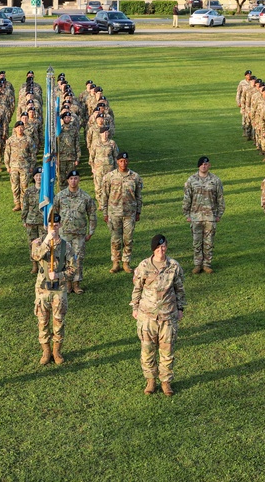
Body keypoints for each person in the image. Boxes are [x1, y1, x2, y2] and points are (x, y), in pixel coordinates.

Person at [131, 234, 186, 396]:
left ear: (166, 247)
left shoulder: (174, 266)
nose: (161, 251)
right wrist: (135, 307)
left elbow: (180, 289)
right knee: (147, 350)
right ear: (153, 250)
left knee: (167, 351)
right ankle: (150, 380)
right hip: (147, 316)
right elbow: (137, 289)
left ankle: (166, 382)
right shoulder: (144, 266)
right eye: (157, 248)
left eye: (163, 247)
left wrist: (180, 308)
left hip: (168, 316)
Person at [31, 214, 76, 365]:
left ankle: (57, 350)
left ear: (60, 225)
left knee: (58, 320)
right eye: (51, 225)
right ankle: (46, 351)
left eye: (56, 225)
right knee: (42, 321)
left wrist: (59, 274)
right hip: (43, 289)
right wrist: (46, 242)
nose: (54, 228)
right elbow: (36, 256)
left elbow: (73, 269)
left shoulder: (66, 246)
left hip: (59, 289)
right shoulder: (39, 243)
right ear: (47, 226)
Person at [101, 152, 143, 274]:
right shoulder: (110, 177)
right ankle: (116, 262)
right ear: (117, 161)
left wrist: (138, 211)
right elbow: (105, 196)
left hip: (130, 213)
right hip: (114, 213)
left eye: (125, 161)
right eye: (120, 161)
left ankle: (126, 262)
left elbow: (138, 196)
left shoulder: (135, 177)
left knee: (128, 239)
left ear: (128, 161)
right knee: (115, 239)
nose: (123, 163)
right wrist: (105, 213)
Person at [182, 156, 225, 274]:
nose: (204, 166)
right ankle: (197, 264)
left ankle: (207, 264)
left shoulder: (215, 180)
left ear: (209, 165)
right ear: (198, 166)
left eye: (206, 164)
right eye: (202, 164)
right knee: (196, 242)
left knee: (209, 242)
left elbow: (220, 198)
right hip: (196, 216)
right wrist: (187, 214)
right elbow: (187, 198)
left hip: (210, 216)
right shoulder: (191, 180)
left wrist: (219, 214)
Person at [56, 169, 96, 294]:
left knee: (78, 258)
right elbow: (54, 213)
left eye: (76, 178)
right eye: (71, 179)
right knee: (65, 258)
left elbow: (92, 214)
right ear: (68, 180)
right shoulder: (60, 196)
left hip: (79, 234)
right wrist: (54, 230)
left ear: (79, 180)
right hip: (64, 233)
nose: (73, 181)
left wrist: (91, 231)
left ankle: (76, 284)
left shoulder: (85, 197)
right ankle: (67, 284)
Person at [5, 121, 33, 211]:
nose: (20, 129)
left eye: (21, 127)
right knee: (15, 186)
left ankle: (23, 203)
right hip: (13, 166)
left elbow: (33, 154)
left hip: (25, 166)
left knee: (24, 186)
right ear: (15, 129)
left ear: (24, 128)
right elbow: (7, 153)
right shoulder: (11, 140)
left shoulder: (28, 140)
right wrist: (7, 166)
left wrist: (32, 165)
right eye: (18, 128)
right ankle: (17, 204)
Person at [21, 168, 46, 255]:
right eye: (37, 176)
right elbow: (25, 206)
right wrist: (24, 219)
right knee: (32, 243)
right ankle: (34, 264)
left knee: (44, 243)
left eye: (41, 176)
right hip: (31, 221)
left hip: (43, 221)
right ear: (34, 177)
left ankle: (42, 266)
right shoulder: (29, 191)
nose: (39, 178)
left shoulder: (47, 191)